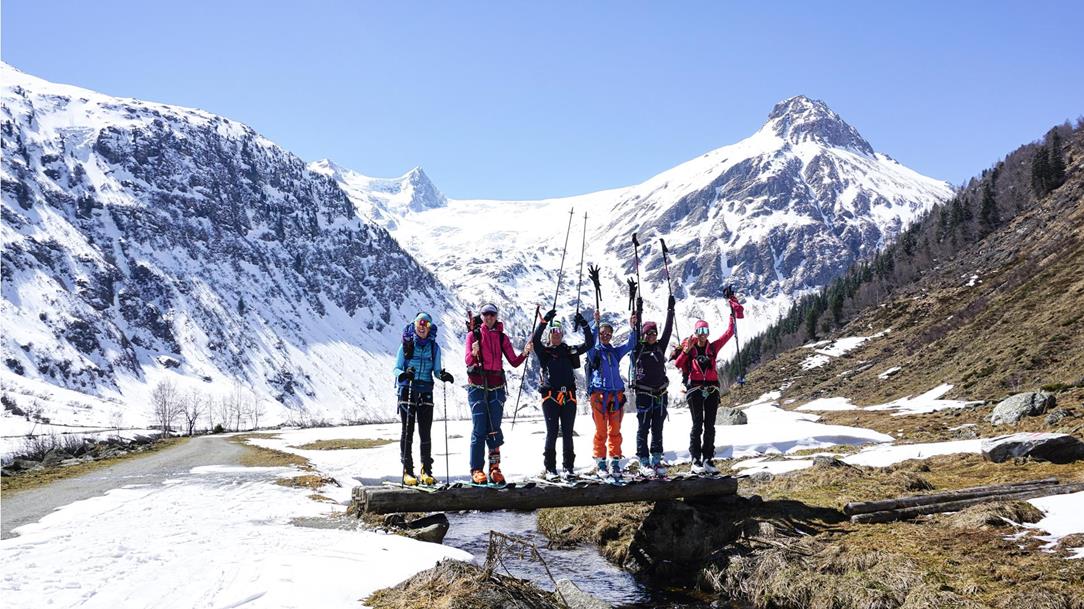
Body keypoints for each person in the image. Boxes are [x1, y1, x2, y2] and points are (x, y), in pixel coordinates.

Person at [675, 293, 744, 474]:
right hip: (695, 390)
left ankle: (708, 459)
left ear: (708, 333)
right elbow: (678, 364)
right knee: (697, 425)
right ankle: (695, 459)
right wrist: (686, 351)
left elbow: (729, 334)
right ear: (695, 333)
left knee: (710, 426)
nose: (703, 335)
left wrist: (732, 315)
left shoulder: (713, 347)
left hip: (712, 389)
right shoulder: (690, 348)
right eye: (700, 331)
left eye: (705, 331)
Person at [464, 303, 533, 485]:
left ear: (496, 316)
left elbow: (514, 362)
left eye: (492, 314)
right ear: (481, 316)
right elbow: (468, 361)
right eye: (486, 314)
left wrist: (525, 353)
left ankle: (494, 468)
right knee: (479, 429)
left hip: (497, 387)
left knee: (494, 430)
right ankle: (477, 470)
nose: (489, 317)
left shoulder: (502, 337)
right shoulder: (473, 336)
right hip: (477, 386)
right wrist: (474, 352)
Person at [393, 312, 454, 486]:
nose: (422, 327)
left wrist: (442, 375)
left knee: (425, 432)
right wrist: (405, 374)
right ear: (415, 325)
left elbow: (436, 371)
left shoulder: (434, 347)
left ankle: (426, 470)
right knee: (408, 431)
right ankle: (408, 471)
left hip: (426, 390)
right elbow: (396, 368)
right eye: (420, 323)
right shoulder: (406, 345)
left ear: (429, 328)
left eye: (426, 324)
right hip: (408, 389)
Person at [532, 309, 594, 480]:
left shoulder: (569, 350)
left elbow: (589, 343)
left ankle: (568, 467)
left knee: (567, 433)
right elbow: (535, 340)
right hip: (550, 397)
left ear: (562, 334)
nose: (556, 334)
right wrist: (545, 321)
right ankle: (550, 468)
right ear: (549, 335)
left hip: (569, 397)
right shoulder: (544, 352)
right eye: (553, 332)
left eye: (559, 331)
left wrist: (584, 324)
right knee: (552, 432)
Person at [585, 309, 638, 477]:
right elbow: (589, 343)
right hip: (599, 395)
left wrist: (633, 328)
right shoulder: (595, 351)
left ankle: (614, 462)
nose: (606, 336)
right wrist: (595, 324)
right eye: (603, 333)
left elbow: (631, 344)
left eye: (608, 333)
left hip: (616, 395)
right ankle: (601, 463)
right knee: (601, 431)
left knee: (615, 430)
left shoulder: (615, 351)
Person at [631, 295, 675, 478]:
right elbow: (635, 331)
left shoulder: (659, 347)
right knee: (643, 428)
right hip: (643, 394)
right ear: (643, 335)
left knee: (658, 428)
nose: (652, 336)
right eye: (648, 334)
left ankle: (656, 460)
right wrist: (638, 311)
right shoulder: (637, 348)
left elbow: (668, 330)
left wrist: (670, 310)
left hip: (660, 393)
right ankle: (643, 461)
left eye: (654, 333)